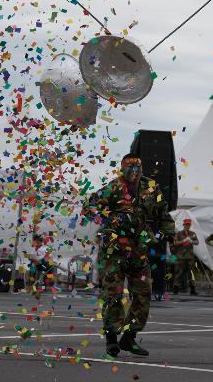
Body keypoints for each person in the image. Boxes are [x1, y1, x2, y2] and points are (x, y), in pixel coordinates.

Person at [82, 153, 175, 357]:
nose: (134, 171)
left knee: (143, 293)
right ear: (123, 168)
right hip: (114, 250)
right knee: (113, 294)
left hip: (138, 250)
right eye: (130, 167)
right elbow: (89, 208)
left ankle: (129, 337)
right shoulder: (113, 188)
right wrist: (112, 218)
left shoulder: (151, 187)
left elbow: (163, 214)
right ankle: (111, 339)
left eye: (138, 168)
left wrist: (165, 234)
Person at [172, 219, 199, 295]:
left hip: (190, 257)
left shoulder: (192, 234)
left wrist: (191, 241)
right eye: (186, 224)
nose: (187, 226)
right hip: (181, 257)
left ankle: (192, 289)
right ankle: (176, 288)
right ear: (183, 225)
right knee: (178, 273)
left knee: (191, 273)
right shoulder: (179, 234)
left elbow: (197, 242)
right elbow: (175, 243)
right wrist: (183, 241)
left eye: (189, 224)